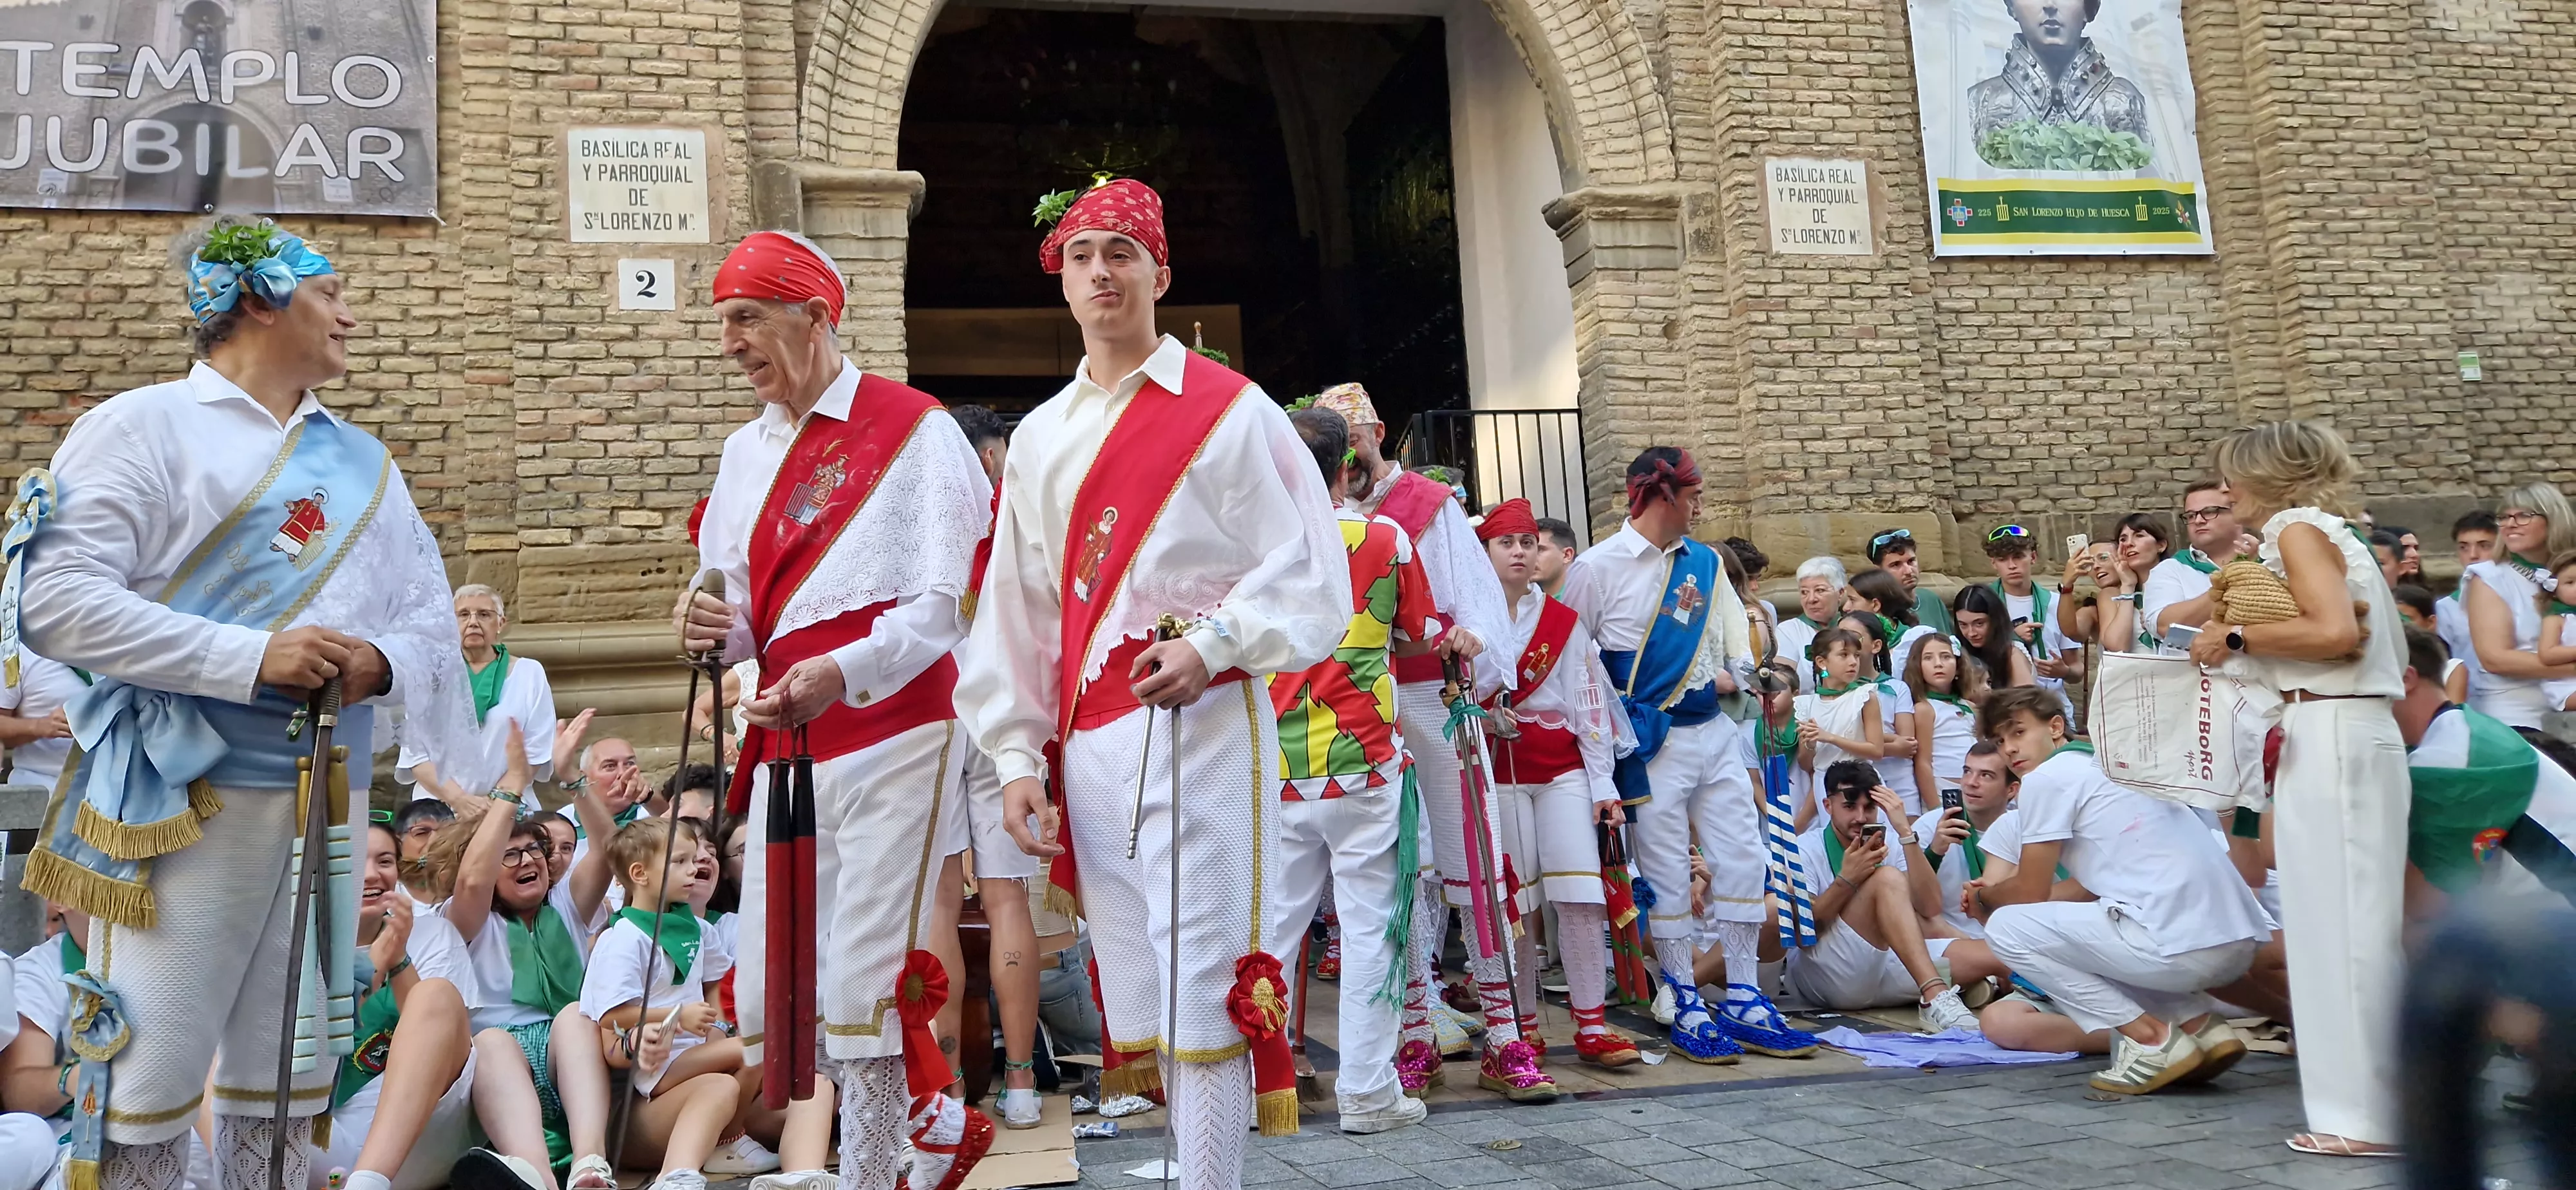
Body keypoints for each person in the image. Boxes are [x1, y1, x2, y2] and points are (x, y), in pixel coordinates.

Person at [5, 218, 479, 1190]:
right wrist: (251, 655)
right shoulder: (141, 427)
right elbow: (53, 601)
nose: (351, 314)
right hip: (186, 797)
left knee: (290, 1072)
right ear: (260, 300)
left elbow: (430, 624)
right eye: (330, 292)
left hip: (326, 798)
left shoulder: (365, 465)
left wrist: (377, 664)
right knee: (155, 1062)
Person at [954, 176, 1349, 1187]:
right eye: (1082, 255)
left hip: (1206, 720)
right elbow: (1019, 609)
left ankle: (1210, 1178)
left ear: (1160, 273)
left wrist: (1215, 643)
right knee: (1141, 967)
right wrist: (1014, 753)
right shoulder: (1041, 435)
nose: (1101, 272)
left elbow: (1310, 564)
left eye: (1121, 253)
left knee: (1208, 966)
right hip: (1092, 737)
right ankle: (1189, 1166)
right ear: (1062, 281)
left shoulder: (1233, 412)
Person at [671, 229, 994, 1190]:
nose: (730, 342)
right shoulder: (743, 450)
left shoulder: (916, 428)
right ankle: (927, 1127)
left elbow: (946, 607)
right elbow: (737, 611)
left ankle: (879, 1168)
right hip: (786, 739)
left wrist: (842, 670)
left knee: (863, 971)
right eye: (723, 322)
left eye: (747, 319)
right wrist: (707, 631)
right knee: (784, 978)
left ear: (815, 317)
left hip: (896, 722)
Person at [2190, 420, 2408, 1154]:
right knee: (2331, 923)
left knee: (2347, 927)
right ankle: (2356, 1110)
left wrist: (2238, 638)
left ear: (2265, 476)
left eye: (2231, 477)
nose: (2225, 493)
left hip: (2338, 731)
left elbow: (2335, 635)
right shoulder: (2318, 531)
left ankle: (2375, 1119)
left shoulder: (2297, 527)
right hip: (2328, 729)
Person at [1563, 448, 1815, 1064]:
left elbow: (1734, 640)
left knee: (1741, 856)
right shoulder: (1596, 568)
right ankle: (1682, 993)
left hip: (1715, 732)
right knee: (1668, 872)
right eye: (1693, 493)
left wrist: (1760, 679)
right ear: (1660, 496)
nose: (1701, 506)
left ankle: (1747, 997)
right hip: (1649, 740)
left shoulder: (1704, 562)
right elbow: (1573, 657)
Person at [1314, 383, 1513, 1092]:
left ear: (1378, 432)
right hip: (1357, 705)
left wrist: (1473, 636)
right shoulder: (1313, 519)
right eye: (1335, 444)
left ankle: (1506, 1035)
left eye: (1356, 437)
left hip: (1432, 692)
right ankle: (1416, 1031)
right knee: (1395, 871)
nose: (1349, 455)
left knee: (1470, 856)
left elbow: (1482, 606)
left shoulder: (1427, 508)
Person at [1264, 408, 1450, 1124]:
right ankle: (1369, 1095)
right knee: (1372, 928)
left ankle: (1266, 1088)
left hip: (1278, 766)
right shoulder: (1384, 535)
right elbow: (1417, 632)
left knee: (1274, 935)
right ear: (1347, 467)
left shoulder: (1257, 546)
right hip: (1365, 762)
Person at [1967, 686, 2267, 1096]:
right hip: (2234, 941)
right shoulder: (2117, 765)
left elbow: (2032, 889)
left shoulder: (2048, 778)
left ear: (2056, 727)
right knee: (2086, 937)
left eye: (2018, 733)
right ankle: (2202, 1029)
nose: (2010, 750)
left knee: (2006, 928)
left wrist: (1986, 899)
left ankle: (2152, 1041)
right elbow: (2084, 890)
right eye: (2001, 741)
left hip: (2186, 947)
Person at [415, 728, 625, 1190]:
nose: (525, 859)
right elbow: (472, 882)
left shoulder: (566, 904)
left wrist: (573, 779)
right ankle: (538, 1178)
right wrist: (512, 784)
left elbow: (611, 851)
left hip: (572, 1055)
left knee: (575, 1015)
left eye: (532, 849)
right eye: (507, 856)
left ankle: (591, 1165)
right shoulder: (465, 918)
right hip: (499, 1066)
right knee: (490, 1040)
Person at [1477, 499, 1638, 1072]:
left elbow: (1589, 701)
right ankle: (1521, 1025)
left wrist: (1602, 783)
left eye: (1528, 543)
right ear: (1486, 552)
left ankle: (1592, 1023)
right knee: (1513, 903)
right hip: (1498, 771)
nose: (1520, 552)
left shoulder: (1564, 623)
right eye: (1507, 543)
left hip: (1563, 768)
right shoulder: (1467, 619)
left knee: (1579, 894)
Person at [945, 401, 1045, 1130]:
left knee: (940, 904)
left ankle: (947, 1083)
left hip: (928, 716)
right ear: (987, 459)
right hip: (999, 718)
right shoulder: (1013, 519)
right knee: (1008, 898)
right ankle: (1018, 1081)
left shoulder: (919, 522)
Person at [581, 818, 772, 1190]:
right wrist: (678, 1016)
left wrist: (717, 1029)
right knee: (758, 1047)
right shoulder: (624, 938)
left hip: (694, 1054)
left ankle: (712, 1153)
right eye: (680, 862)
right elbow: (612, 1015)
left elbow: (717, 981)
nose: (695, 868)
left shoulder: (698, 929)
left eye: (696, 859)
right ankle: (690, 1167)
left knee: (746, 1061)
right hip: (656, 1062)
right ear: (640, 874)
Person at [315, 818, 480, 1190]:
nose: (372, 875)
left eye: (385, 861)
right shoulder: (299, 942)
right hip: (321, 1126)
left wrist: (400, 959)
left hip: (410, 1130)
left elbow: (441, 1034)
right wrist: (374, 962)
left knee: (435, 993)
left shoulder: (432, 933)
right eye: (356, 861)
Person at [1771, 761, 1990, 1032]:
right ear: (1827, 806)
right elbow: (1806, 934)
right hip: (1825, 975)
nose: (1862, 818)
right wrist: (1847, 881)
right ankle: (1936, 992)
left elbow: (1929, 907)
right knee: (1886, 878)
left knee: (1992, 955)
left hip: (1883, 966)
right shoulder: (1805, 848)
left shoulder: (1893, 843)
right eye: (1850, 807)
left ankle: (1972, 987)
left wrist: (1906, 833)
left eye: (1870, 808)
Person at [2391, 627, 2576, 917]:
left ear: (2405, 678)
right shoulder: (2463, 731)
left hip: (2558, 929)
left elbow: (2425, 908)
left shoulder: (2448, 757)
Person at [406, 584, 558, 797]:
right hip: (439, 807)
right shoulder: (429, 673)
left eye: (484, 614)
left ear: (501, 623)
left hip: (506, 804)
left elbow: (537, 749)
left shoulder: (529, 673)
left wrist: (496, 802)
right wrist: (461, 802)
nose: (473, 622)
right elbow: (415, 754)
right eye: (463, 615)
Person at [1967, 0, 2153, 157]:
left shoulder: (2126, 101)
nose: (2050, 5)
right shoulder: (1980, 102)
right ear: (2012, 6)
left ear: (2088, 9)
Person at [2460, 482, 2576, 728]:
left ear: (2554, 519)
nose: (2510, 524)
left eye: (2523, 516)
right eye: (2504, 517)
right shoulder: (2489, 577)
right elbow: (2496, 659)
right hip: (2517, 717)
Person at [1918, 740, 2013, 940]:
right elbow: (1905, 897)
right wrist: (1935, 851)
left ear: (2011, 790)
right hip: (1947, 939)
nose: (1971, 782)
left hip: (2008, 938)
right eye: (1967, 771)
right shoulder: (1929, 825)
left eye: (1986, 775)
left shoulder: (2022, 828)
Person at [2141, 480, 2248, 643]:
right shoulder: (2171, 569)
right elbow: (2164, 627)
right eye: (2191, 516)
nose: (2198, 521)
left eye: (2210, 512)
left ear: (2238, 514)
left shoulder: (2269, 560)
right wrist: (2231, 585)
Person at [1906, 634, 1980, 808]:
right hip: (1943, 792)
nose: (1938, 664)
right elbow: (1923, 762)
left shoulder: (1970, 707)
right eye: (1928, 658)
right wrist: (1934, 809)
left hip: (1976, 789)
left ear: (1959, 665)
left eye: (1946, 657)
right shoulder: (1925, 709)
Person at [2435, 511, 2499, 692]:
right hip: (2470, 701)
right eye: (2464, 547)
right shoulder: (2445, 608)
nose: (2473, 555)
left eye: (2484, 546)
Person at [0, 652, 75, 792]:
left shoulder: (115, 647)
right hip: (42, 792)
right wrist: (38, 727)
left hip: (116, 794)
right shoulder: (13, 654)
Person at [1864, 527, 1955, 638]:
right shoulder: (1876, 611)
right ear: (1879, 571)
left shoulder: (1931, 599)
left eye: (1911, 561)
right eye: (1896, 565)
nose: (1908, 571)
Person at [1776, 557, 1847, 692]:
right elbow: (1783, 680)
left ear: (1840, 593)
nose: (1811, 599)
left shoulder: (1853, 627)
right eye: (1804, 592)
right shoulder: (1789, 630)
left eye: (1820, 590)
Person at [1531, 518, 1578, 598]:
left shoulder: (1589, 596)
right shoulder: (1523, 602)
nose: (1530, 557)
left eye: (1540, 550)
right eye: (1529, 549)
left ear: (1567, 555)